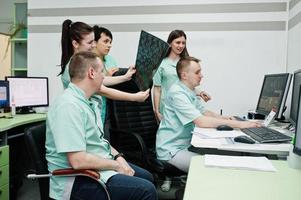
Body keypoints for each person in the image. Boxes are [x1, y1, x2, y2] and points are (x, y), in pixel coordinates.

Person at [46, 51, 157, 200]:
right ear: (91, 73)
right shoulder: (68, 106)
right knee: (146, 190)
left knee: (147, 177)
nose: (104, 76)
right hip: (77, 179)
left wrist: (118, 157)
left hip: (96, 167)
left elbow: (97, 140)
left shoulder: (86, 102)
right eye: (102, 72)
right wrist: (116, 166)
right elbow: (78, 161)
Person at [156, 56, 261, 173]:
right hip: (171, 150)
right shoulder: (177, 93)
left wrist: (225, 118)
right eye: (197, 72)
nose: (201, 75)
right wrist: (241, 125)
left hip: (185, 145)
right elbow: (201, 121)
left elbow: (204, 112)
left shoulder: (188, 90)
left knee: (229, 157)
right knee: (214, 167)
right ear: (184, 75)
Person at [59, 19, 149, 123]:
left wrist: (125, 77)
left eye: (94, 41)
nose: (93, 45)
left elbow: (101, 80)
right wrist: (134, 97)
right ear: (75, 43)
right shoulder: (72, 68)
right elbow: (101, 89)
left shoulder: (83, 63)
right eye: (90, 42)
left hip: (93, 116)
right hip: (80, 118)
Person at [153, 30, 211, 122]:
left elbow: (187, 86)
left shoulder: (187, 63)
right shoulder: (161, 63)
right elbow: (157, 89)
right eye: (177, 42)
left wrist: (200, 92)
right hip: (167, 108)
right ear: (170, 43)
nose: (181, 46)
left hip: (184, 104)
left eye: (183, 43)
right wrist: (156, 111)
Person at [92, 25, 137, 122]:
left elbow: (117, 81)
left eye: (110, 42)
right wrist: (106, 77)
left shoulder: (111, 60)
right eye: (105, 41)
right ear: (95, 43)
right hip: (94, 107)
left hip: (111, 106)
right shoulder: (88, 61)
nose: (109, 45)